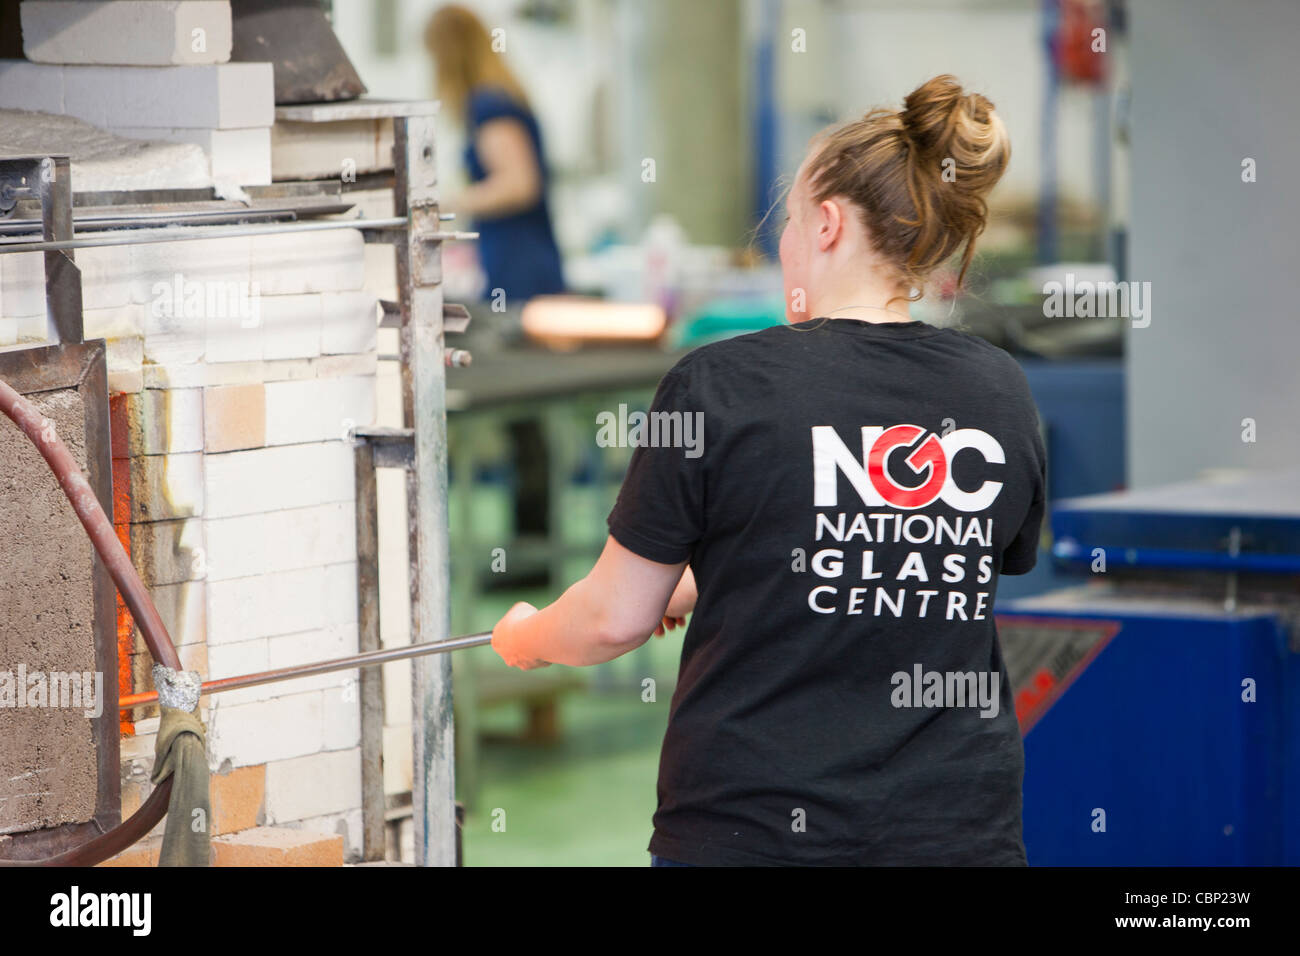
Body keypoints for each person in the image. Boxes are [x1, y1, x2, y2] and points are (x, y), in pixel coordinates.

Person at [491, 75, 1046, 866]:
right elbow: (915, 560)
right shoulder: (998, 389)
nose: (783, 241)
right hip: (952, 831)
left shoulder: (719, 385)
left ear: (824, 225)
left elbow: (611, 620)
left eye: (787, 222)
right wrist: (705, 578)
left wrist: (528, 636)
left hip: (755, 833)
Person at [424, 4, 565, 306]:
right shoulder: (500, 97)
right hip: (520, 260)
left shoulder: (490, 105)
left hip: (520, 268)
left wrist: (443, 204)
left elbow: (519, 185)